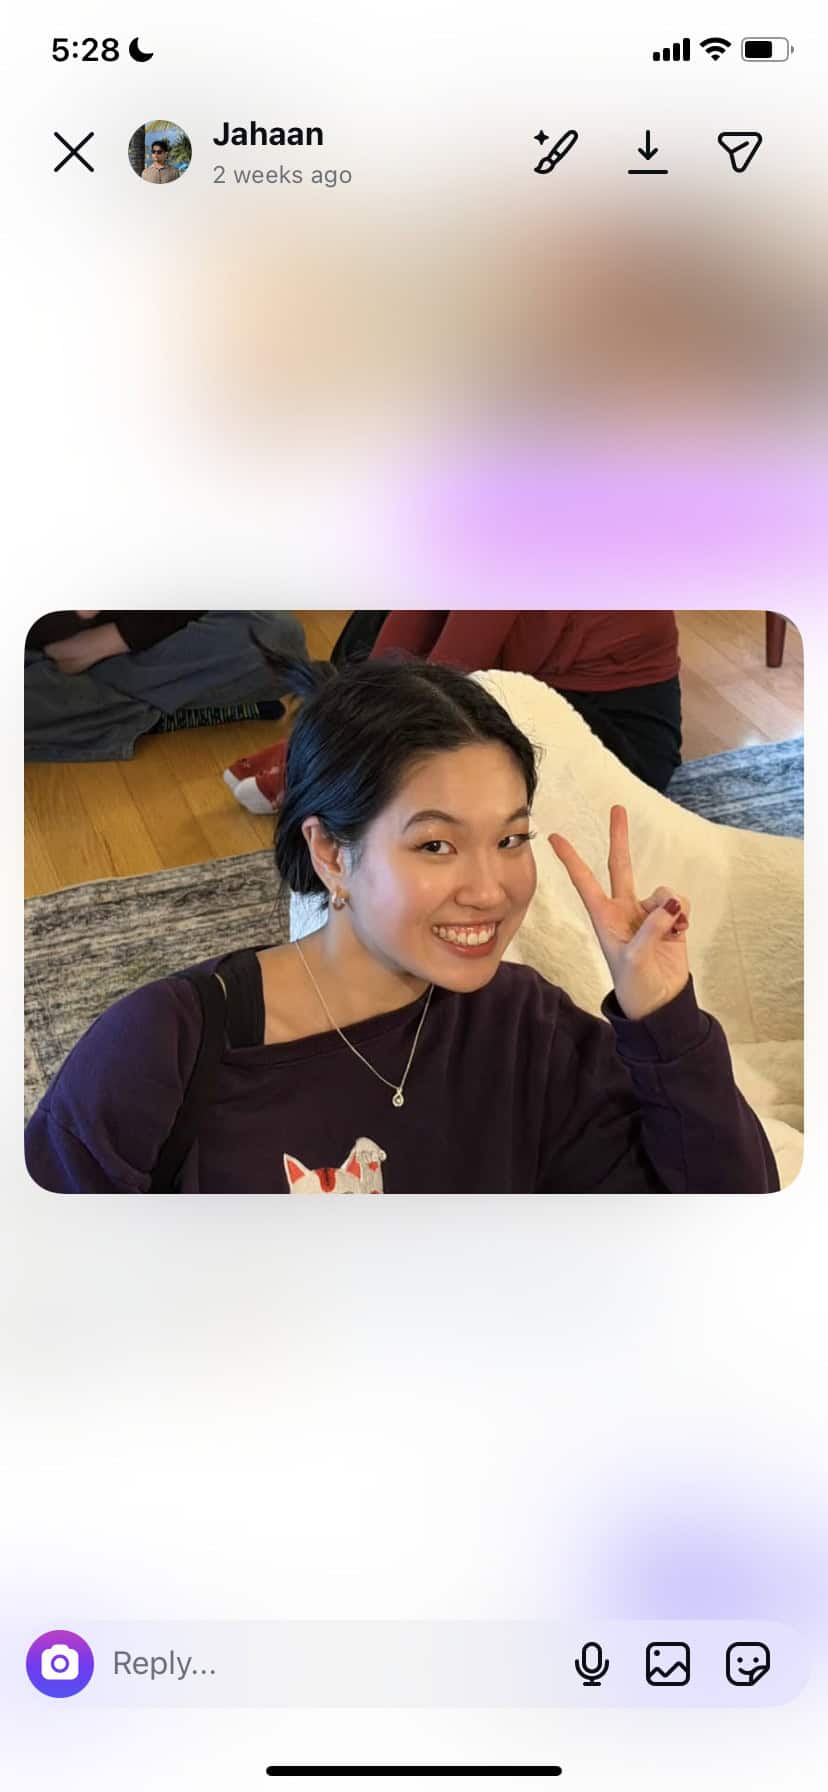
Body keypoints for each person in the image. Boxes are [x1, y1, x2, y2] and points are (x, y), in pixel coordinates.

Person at [25, 651, 778, 1194]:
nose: (490, 890)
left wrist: (663, 1018)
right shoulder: (164, 1049)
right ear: (330, 853)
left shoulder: (528, 1030)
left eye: (511, 839)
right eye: (436, 845)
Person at [224, 609, 682, 814]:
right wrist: (336, 722)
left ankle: (338, 765)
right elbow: (410, 621)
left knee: (450, 723)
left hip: (620, 736)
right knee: (373, 627)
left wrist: (338, 744)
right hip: (534, 681)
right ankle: (334, 756)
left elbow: (451, 676)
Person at [25, 609, 306, 762]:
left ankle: (112, 716)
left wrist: (111, 639)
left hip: (143, 637)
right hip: (38, 659)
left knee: (276, 638)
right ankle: (150, 712)